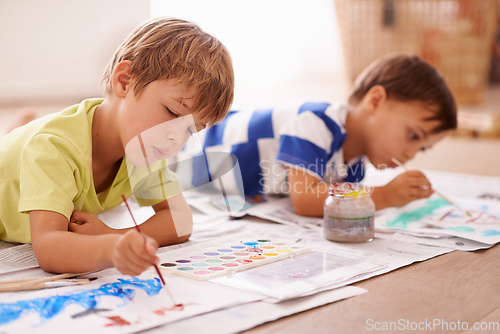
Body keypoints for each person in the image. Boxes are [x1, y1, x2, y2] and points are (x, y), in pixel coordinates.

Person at [0, 17, 234, 275]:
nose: (176, 138)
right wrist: (111, 248)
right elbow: (48, 248)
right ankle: (17, 130)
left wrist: (117, 234)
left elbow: (181, 220)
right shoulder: (52, 148)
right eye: (172, 111)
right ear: (124, 82)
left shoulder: (146, 145)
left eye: (191, 130)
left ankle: (18, 128)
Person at [186, 54, 456, 217]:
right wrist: (382, 196)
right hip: (204, 149)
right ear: (375, 101)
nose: (411, 154)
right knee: (158, 180)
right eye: (412, 135)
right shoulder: (315, 124)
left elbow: (334, 198)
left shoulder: (355, 167)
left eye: (422, 149)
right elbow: (305, 201)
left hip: (244, 188)